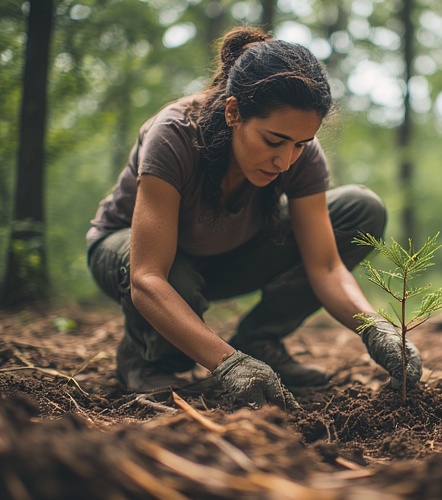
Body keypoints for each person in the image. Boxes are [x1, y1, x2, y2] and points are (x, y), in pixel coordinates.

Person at [86, 26, 422, 408]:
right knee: (175, 280)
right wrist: (229, 364)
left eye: (301, 144)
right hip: (138, 258)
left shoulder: (298, 155)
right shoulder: (175, 135)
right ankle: (148, 360)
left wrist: (376, 329)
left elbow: (326, 266)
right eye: (273, 141)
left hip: (225, 256)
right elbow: (148, 277)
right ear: (233, 112)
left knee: (361, 208)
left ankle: (258, 341)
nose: (285, 161)